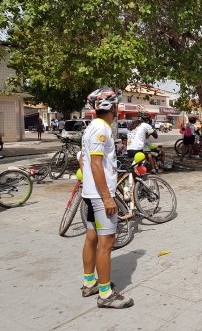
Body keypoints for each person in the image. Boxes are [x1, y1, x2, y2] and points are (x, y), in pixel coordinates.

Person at [80, 87, 134, 309]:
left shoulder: (91, 127)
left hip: (90, 193)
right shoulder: (101, 129)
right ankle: (105, 293)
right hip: (99, 196)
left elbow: (82, 160)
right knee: (106, 243)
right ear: (112, 107)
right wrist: (107, 197)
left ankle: (89, 282)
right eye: (116, 105)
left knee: (92, 237)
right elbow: (94, 163)